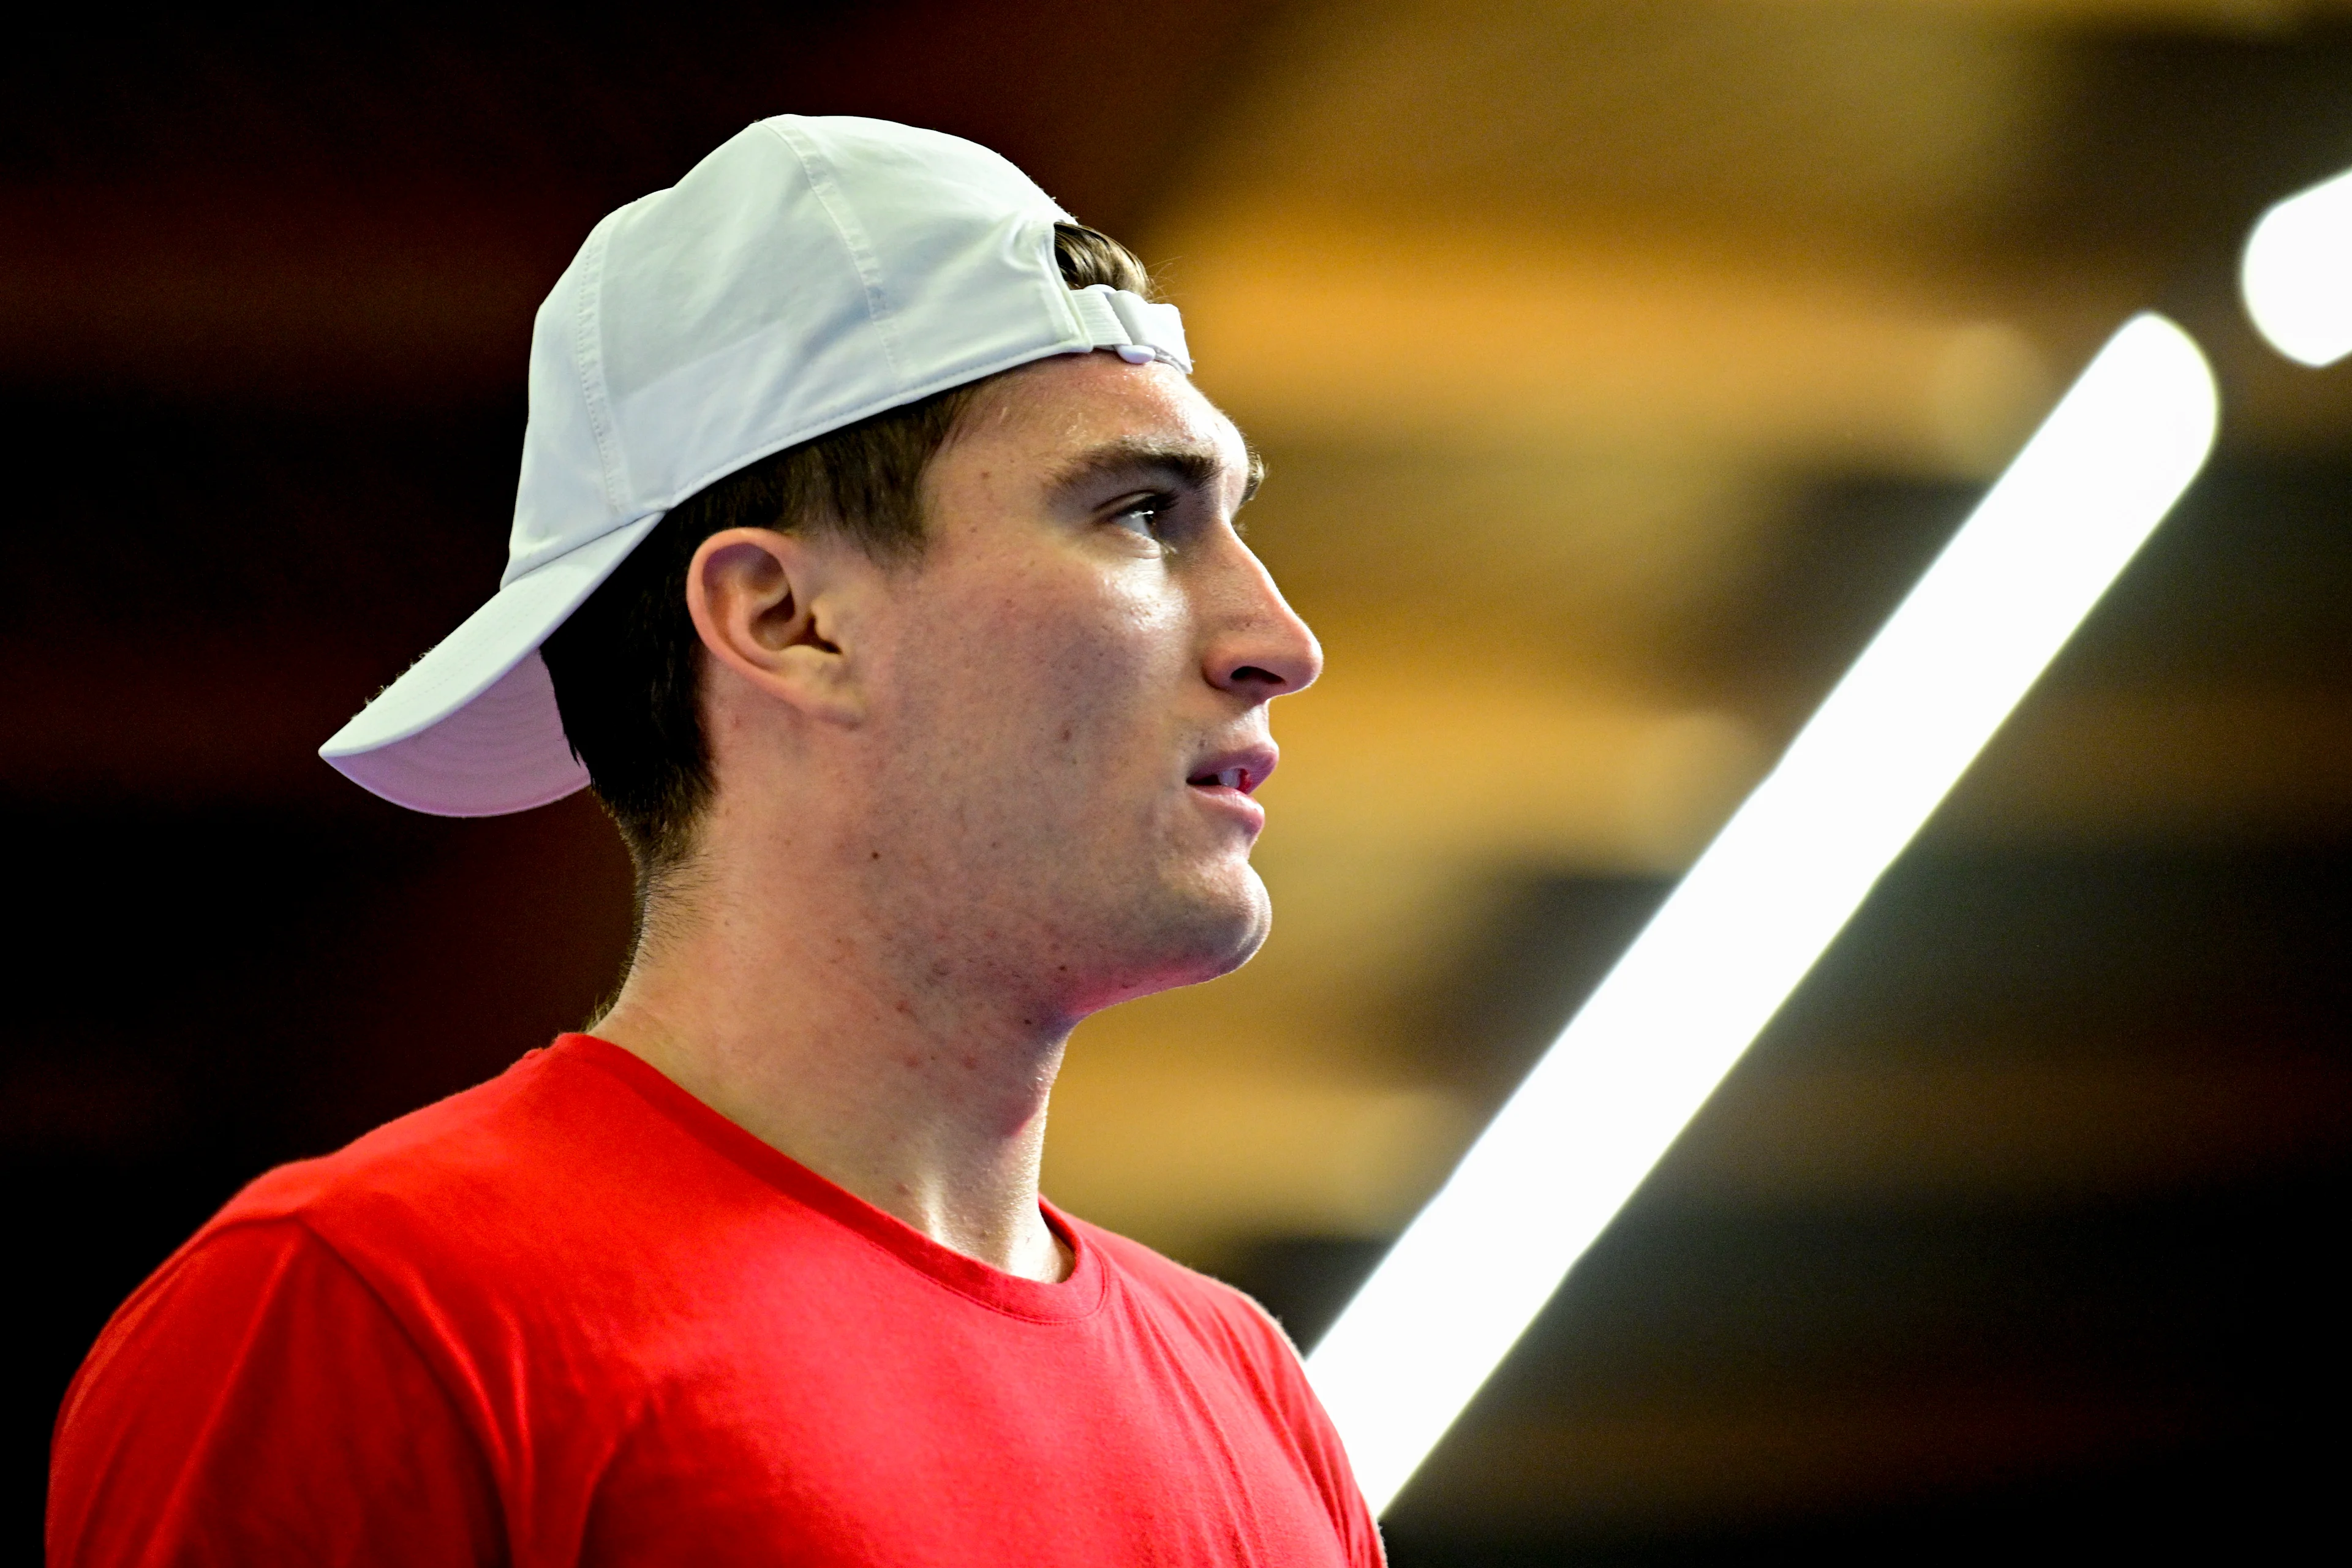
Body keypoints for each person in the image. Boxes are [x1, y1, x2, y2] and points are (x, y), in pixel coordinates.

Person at [48, 116, 1379, 1566]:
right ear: (785, 621)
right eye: (1138, 513)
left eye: (1232, 519)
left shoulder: (1249, 1389)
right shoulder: (374, 1313)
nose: (1279, 640)